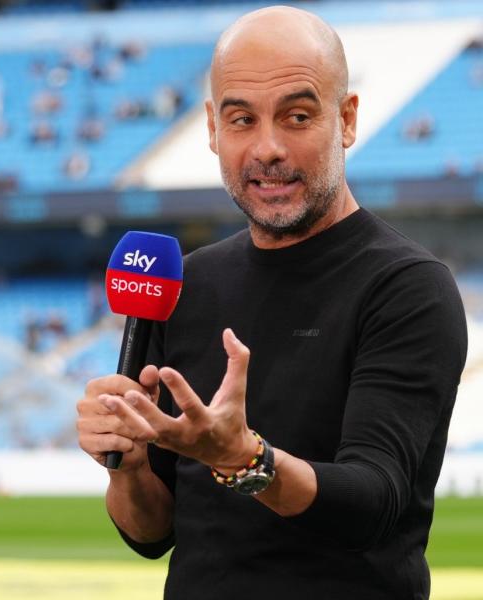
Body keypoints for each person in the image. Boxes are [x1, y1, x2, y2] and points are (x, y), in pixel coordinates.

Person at [76, 7, 466, 599]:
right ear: (211, 128)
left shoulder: (407, 286)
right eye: (241, 119)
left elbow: (373, 503)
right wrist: (127, 466)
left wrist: (243, 458)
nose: (268, 148)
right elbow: (151, 532)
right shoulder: (187, 284)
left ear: (348, 119)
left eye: (298, 116)